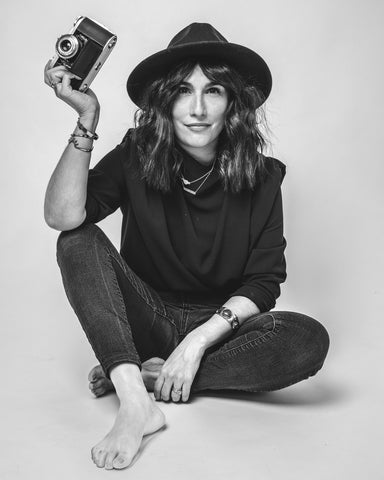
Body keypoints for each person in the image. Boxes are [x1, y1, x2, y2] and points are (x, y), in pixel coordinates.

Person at [43, 22, 329, 471]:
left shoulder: (265, 176)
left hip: (218, 332)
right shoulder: (137, 152)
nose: (197, 108)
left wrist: (195, 345)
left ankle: (150, 374)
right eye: (182, 91)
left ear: (232, 102)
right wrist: (86, 119)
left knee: (307, 339)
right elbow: (63, 216)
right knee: (76, 240)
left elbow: (264, 281)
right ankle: (137, 403)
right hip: (146, 317)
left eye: (212, 90)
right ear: (164, 100)